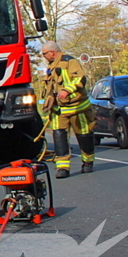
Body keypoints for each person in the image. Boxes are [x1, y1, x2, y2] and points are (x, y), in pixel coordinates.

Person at [40, 40, 95, 178]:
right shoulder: (51, 66)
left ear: (52, 52)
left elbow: (80, 79)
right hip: (59, 110)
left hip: (77, 108)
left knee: (84, 136)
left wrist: (67, 90)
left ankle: (88, 162)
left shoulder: (70, 62)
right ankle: (62, 168)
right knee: (59, 136)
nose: (43, 56)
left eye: (44, 53)